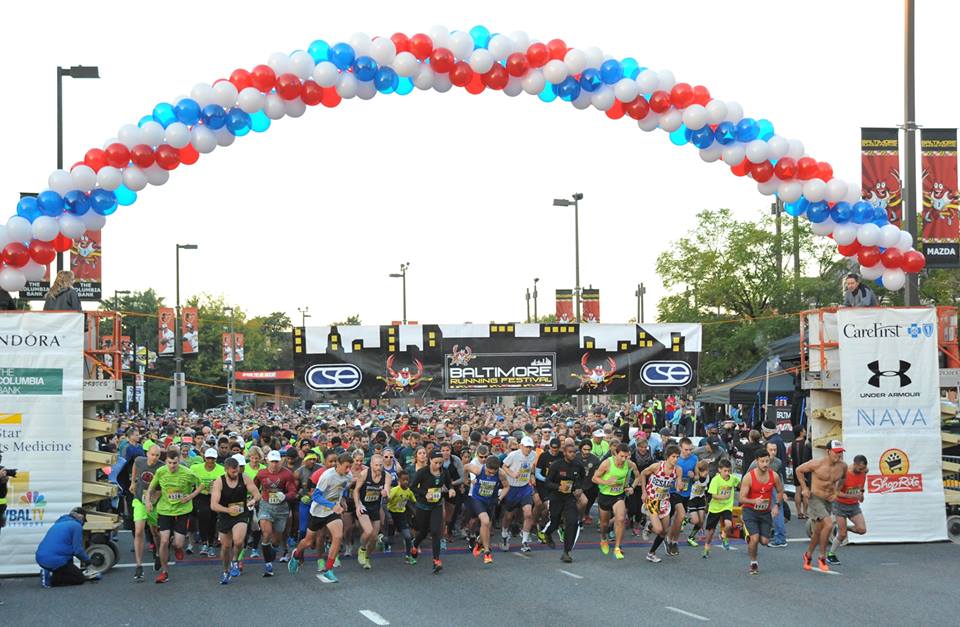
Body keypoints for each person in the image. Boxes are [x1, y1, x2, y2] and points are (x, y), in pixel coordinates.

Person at [289, 452, 352, 583]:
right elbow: (316, 496)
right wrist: (331, 505)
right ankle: (296, 555)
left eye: (349, 467)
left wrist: (342, 501)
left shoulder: (348, 476)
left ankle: (329, 570)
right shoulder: (327, 476)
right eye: (346, 467)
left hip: (332, 512)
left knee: (338, 536)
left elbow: (341, 490)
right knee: (308, 541)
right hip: (317, 512)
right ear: (338, 464)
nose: (348, 470)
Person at [146, 449, 201, 583]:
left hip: (182, 511)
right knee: (163, 541)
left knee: (178, 543)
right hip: (165, 510)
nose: (172, 466)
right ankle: (165, 572)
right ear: (166, 461)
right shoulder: (161, 471)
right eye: (170, 463)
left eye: (175, 463)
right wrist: (148, 501)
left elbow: (201, 485)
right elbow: (151, 488)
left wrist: (190, 496)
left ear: (179, 461)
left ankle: (177, 547)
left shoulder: (187, 473)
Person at [796, 440, 847, 573]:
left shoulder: (843, 466)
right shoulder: (817, 463)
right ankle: (822, 557)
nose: (839, 455)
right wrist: (805, 488)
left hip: (828, 500)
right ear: (828, 451)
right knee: (829, 525)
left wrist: (836, 492)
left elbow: (843, 479)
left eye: (840, 452)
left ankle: (808, 555)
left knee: (818, 532)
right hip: (815, 498)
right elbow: (799, 470)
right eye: (836, 452)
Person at [211, 455, 260, 584]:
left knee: (238, 541)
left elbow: (257, 494)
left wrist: (253, 500)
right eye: (233, 472)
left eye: (237, 470)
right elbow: (213, 505)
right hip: (225, 514)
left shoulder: (244, 477)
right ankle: (226, 571)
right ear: (226, 470)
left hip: (241, 513)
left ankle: (235, 560)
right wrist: (228, 510)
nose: (235, 473)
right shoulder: (219, 481)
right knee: (226, 547)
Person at [592, 443, 642, 560]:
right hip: (605, 495)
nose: (624, 459)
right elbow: (594, 478)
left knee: (620, 519)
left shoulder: (629, 464)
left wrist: (632, 487)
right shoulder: (607, 463)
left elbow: (637, 475)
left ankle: (617, 547)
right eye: (622, 456)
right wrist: (607, 482)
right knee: (604, 524)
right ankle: (604, 538)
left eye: (626, 456)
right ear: (615, 454)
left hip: (618, 495)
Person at [738, 448, 784, 575]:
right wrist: (753, 501)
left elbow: (780, 491)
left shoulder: (773, 476)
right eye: (762, 461)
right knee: (755, 538)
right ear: (756, 461)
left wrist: (776, 505)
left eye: (767, 461)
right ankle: (753, 562)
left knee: (764, 541)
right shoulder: (749, 477)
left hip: (765, 512)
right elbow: (741, 498)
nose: (765, 464)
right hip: (750, 511)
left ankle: (750, 537)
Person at [410, 450, 455, 574]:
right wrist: (425, 494)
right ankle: (415, 544)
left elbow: (449, 484)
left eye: (440, 463)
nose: (438, 466)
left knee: (435, 532)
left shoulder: (444, 472)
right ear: (430, 460)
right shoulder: (422, 472)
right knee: (423, 532)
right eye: (436, 463)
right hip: (423, 506)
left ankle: (436, 560)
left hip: (437, 505)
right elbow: (412, 487)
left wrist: (451, 490)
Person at [540, 442, 586, 563]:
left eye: (574, 452)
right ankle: (548, 533)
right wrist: (558, 487)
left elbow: (582, 478)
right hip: (556, 497)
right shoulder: (556, 465)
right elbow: (547, 482)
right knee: (555, 522)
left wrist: (579, 488)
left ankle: (566, 551)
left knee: (572, 521)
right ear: (564, 453)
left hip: (570, 497)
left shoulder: (578, 465)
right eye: (570, 452)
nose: (572, 455)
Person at [255, 450, 298, 577]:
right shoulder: (261, 473)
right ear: (267, 461)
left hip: (281, 509)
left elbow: (293, 491)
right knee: (266, 533)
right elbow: (254, 486)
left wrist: (284, 496)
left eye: (276, 462)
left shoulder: (287, 474)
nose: (274, 464)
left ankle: (272, 551)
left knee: (276, 541)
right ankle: (268, 565)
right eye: (272, 461)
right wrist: (253, 498)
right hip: (266, 506)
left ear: (280, 461)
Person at [639, 444, 683, 563]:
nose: (676, 459)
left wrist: (680, 486)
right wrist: (644, 492)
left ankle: (651, 553)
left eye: (677, 457)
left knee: (664, 531)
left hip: (664, 501)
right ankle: (649, 526)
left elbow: (678, 484)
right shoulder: (657, 466)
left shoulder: (678, 470)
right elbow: (643, 473)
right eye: (673, 456)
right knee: (658, 530)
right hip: (652, 499)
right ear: (667, 457)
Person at [464, 453, 510, 565]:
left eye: (493, 472)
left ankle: (479, 543)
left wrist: (500, 498)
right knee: (485, 521)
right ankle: (487, 552)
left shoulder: (501, 474)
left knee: (487, 526)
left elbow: (507, 486)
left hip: (491, 501)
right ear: (486, 466)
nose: (491, 474)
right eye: (489, 472)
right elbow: (465, 467)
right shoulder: (478, 470)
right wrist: (466, 480)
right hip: (477, 499)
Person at [129, 445, 163, 581]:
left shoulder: (161, 467)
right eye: (152, 454)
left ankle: (159, 553)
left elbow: (164, 485)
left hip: (154, 502)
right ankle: (139, 565)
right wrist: (133, 481)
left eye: (157, 455)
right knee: (138, 531)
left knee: (155, 532)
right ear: (147, 454)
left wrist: (155, 497)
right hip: (139, 500)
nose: (154, 458)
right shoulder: (139, 460)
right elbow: (135, 466)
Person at [36, 508, 93, 587]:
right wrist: (88, 561)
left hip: (41, 557)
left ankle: (49, 572)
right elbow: (78, 550)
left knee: (69, 566)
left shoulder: (59, 523)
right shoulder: (76, 526)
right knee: (79, 578)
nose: (83, 523)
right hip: (54, 560)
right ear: (81, 517)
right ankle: (51, 578)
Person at [827, 454, 868, 565]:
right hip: (840, 505)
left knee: (862, 530)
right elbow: (836, 493)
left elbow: (861, 485)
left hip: (853, 506)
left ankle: (842, 528)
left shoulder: (864, 471)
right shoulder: (845, 475)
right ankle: (831, 555)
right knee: (842, 535)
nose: (862, 470)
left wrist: (861, 494)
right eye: (860, 468)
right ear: (854, 464)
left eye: (864, 468)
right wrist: (852, 496)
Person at [354, 453, 392, 570]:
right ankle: (362, 548)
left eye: (380, 465)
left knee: (374, 538)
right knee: (368, 531)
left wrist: (385, 494)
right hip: (363, 505)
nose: (378, 468)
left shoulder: (387, 476)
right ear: (371, 465)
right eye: (376, 465)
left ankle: (367, 557)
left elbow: (388, 493)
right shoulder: (364, 474)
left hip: (375, 507)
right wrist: (357, 505)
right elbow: (356, 491)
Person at [500, 436, 538, 553]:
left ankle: (525, 541)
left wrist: (531, 476)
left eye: (530, 447)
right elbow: (504, 466)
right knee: (508, 516)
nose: (528, 449)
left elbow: (532, 468)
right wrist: (512, 474)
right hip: (512, 488)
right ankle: (505, 534)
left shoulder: (533, 455)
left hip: (524, 488)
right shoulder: (513, 455)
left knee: (528, 514)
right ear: (521, 446)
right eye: (526, 447)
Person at [666, 437, 698, 556]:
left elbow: (697, 477)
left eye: (690, 449)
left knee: (679, 519)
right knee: (679, 516)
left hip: (686, 492)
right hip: (673, 492)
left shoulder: (694, 458)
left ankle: (673, 540)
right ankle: (670, 539)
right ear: (680, 448)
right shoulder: (675, 459)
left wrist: (693, 475)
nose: (688, 452)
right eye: (686, 449)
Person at [191, 448, 224, 558]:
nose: (210, 461)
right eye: (208, 458)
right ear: (204, 458)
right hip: (201, 496)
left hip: (215, 496)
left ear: (216, 459)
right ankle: (204, 543)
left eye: (213, 459)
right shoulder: (195, 468)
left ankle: (210, 544)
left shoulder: (221, 469)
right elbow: (189, 479)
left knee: (212, 519)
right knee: (203, 515)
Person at [702, 458, 739, 558]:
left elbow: (739, 483)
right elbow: (713, 495)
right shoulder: (715, 480)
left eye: (729, 471)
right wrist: (723, 496)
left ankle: (723, 534)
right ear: (719, 470)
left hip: (727, 506)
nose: (727, 473)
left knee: (729, 524)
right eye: (725, 471)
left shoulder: (732, 479)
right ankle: (706, 547)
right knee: (710, 532)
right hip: (715, 508)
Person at [385, 470, 416, 563]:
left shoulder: (409, 491)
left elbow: (413, 502)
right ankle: (382, 541)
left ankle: (408, 556)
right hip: (392, 514)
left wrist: (416, 512)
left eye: (407, 480)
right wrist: (388, 516)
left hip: (401, 515)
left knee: (407, 536)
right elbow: (385, 502)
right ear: (399, 481)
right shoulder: (395, 490)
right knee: (390, 539)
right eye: (403, 480)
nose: (406, 482)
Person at [791, 426, 813, 519]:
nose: (805, 432)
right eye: (804, 430)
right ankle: (805, 512)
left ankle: (798, 512)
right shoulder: (806, 444)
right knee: (806, 490)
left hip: (796, 469)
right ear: (800, 432)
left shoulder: (793, 443)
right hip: (805, 470)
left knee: (798, 490)